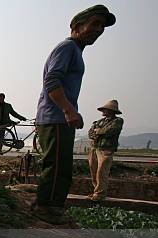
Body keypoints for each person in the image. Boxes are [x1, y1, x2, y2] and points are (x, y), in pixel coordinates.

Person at [32, 4, 116, 224]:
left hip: (59, 116)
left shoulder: (75, 51)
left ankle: (53, 206)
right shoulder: (67, 47)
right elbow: (51, 80)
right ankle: (46, 208)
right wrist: (69, 110)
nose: (99, 29)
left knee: (63, 165)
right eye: (95, 24)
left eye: (102, 26)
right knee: (57, 165)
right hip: (55, 116)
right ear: (77, 27)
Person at [87, 100, 124, 201]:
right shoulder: (99, 122)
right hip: (95, 148)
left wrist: (98, 131)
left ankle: (100, 194)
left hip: (106, 150)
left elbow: (111, 131)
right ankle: (96, 191)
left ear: (111, 111)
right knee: (93, 170)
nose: (103, 111)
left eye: (105, 109)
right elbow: (91, 132)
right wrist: (97, 132)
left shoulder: (118, 121)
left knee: (101, 172)